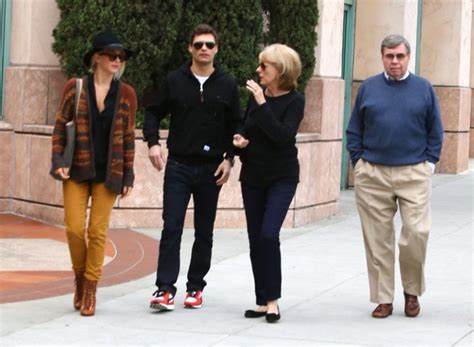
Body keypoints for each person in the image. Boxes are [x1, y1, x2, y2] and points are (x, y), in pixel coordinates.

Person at [143, 23, 241, 311]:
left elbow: (236, 124)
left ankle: (195, 287)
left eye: (209, 45)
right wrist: (152, 142)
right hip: (178, 166)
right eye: (198, 45)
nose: (204, 50)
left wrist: (230, 158)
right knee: (171, 227)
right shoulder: (175, 80)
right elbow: (152, 111)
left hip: (212, 169)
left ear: (216, 49)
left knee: (204, 231)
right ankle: (164, 289)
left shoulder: (227, 83)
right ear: (190, 48)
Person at [346, 34, 443, 318]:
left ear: (408, 57)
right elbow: (355, 129)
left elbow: (435, 129)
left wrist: (430, 163)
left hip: (413, 171)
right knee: (377, 239)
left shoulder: (423, 88)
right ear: (382, 57)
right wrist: (358, 162)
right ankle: (383, 298)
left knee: (416, 233)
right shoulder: (369, 88)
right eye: (390, 56)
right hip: (373, 172)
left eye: (400, 56)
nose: (395, 62)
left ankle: (411, 292)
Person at [51, 31, 137, 316]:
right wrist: (57, 159)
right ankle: (79, 278)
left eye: (120, 56)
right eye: (111, 55)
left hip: (108, 173)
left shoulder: (126, 94)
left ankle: (90, 289)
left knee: (97, 231)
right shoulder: (75, 88)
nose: (117, 60)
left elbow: (127, 137)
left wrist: (128, 175)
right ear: (97, 57)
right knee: (75, 229)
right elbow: (61, 125)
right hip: (76, 169)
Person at [233, 44, 305, 323]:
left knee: (268, 234)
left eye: (265, 66)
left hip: (282, 176)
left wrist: (262, 104)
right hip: (253, 175)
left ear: (281, 71)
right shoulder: (256, 99)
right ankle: (262, 300)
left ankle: (273, 300)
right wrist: (239, 142)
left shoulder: (294, 101)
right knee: (254, 239)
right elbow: (244, 126)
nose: (258, 70)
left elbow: (281, 136)